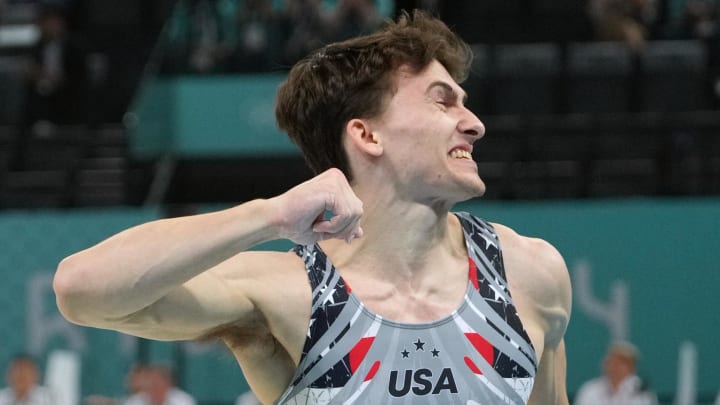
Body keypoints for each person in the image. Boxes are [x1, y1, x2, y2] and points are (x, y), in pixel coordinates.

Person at [53, 10, 572, 405]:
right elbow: (82, 289)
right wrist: (268, 215)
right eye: (443, 100)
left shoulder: (532, 272)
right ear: (366, 135)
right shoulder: (285, 294)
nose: (474, 122)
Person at [573, 341, 658, 405]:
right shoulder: (589, 390)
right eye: (612, 361)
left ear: (632, 367)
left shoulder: (642, 392)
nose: (615, 366)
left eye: (622, 363)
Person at [122, 365, 196, 405]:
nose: (153, 387)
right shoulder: (135, 401)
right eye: (150, 383)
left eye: (157, 384)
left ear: (168, 384)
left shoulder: (183, 400)